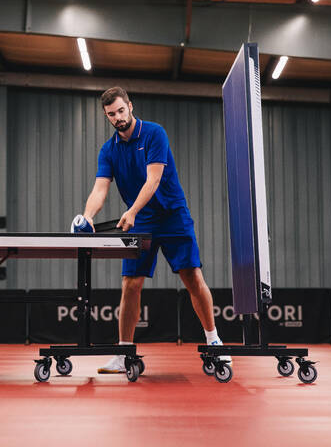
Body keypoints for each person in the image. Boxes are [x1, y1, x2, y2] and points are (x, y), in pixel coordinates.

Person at [81, 86, 230, 374]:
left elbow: (153, 179)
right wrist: (87, 216)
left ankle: (215, 342)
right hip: (140, 221)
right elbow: (100, 188)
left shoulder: (154, 133)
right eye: (111, 114)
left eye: (121, 111)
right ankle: (124, 352)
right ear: (106, 115)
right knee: (131, 283)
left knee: (192, 276)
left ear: (130, 106)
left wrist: (132, 211)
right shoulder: (108, 150)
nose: (117, 118)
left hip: (173, 215)